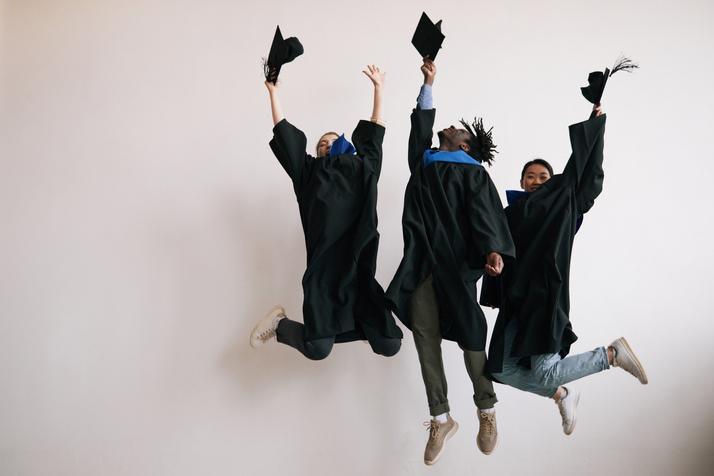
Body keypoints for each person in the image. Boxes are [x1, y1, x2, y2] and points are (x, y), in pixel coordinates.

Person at [481, 103, 648, 436]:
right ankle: (562, 394)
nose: (536, 181)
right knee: (500, 370)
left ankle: (611, 354)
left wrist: (594, 129)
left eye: (544, 176)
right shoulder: (506, 215)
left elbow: (583, 178)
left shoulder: (559, 208)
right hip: (516, 304)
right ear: (521, 180)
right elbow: (490, 246)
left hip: (544, 299)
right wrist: (492, 262)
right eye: (530, 176)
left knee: (543, 371)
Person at [387, 58, 515, 464]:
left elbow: (486, 216)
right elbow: (420, 130)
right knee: (424, 334)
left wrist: (493, 250)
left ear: (465, 145)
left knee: (472, 335)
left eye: (459, 128)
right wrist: (428, 83)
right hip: (425, 264)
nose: (453, 125)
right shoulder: (425, 163)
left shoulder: (473, 173)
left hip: (458, 267)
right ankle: (440, 417)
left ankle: (486, 408)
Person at [249, 64, 402, 360]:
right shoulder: (308, 173)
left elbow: (375, 134)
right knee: (317, 349)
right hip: (324, 271)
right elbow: (285, 135)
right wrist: (274, 94)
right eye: (322, 144)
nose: (328, 145)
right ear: (317, 152)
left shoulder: (363, 168)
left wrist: (379, 89)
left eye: (333, 141)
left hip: (359, 266)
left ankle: (352, 326)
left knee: (390, 343)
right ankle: (279, 324)